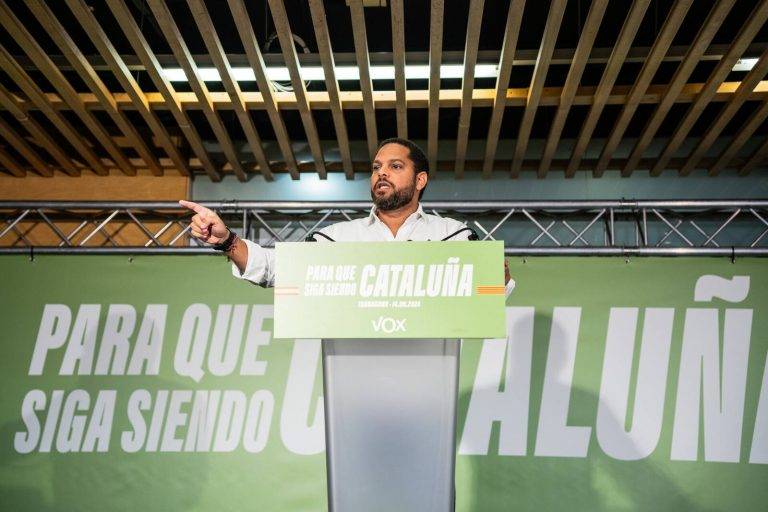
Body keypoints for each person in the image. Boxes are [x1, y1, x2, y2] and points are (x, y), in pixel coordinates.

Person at [179, 137, 515, 296]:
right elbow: (274, 268)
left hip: (433, 373)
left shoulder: (453, 237)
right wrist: (227, 241)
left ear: (420, 180)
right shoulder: (336, 238)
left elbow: (489, 291)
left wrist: (496, 278)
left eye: (396, 167)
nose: (382, 173)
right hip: (351, 376)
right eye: (376, 168)